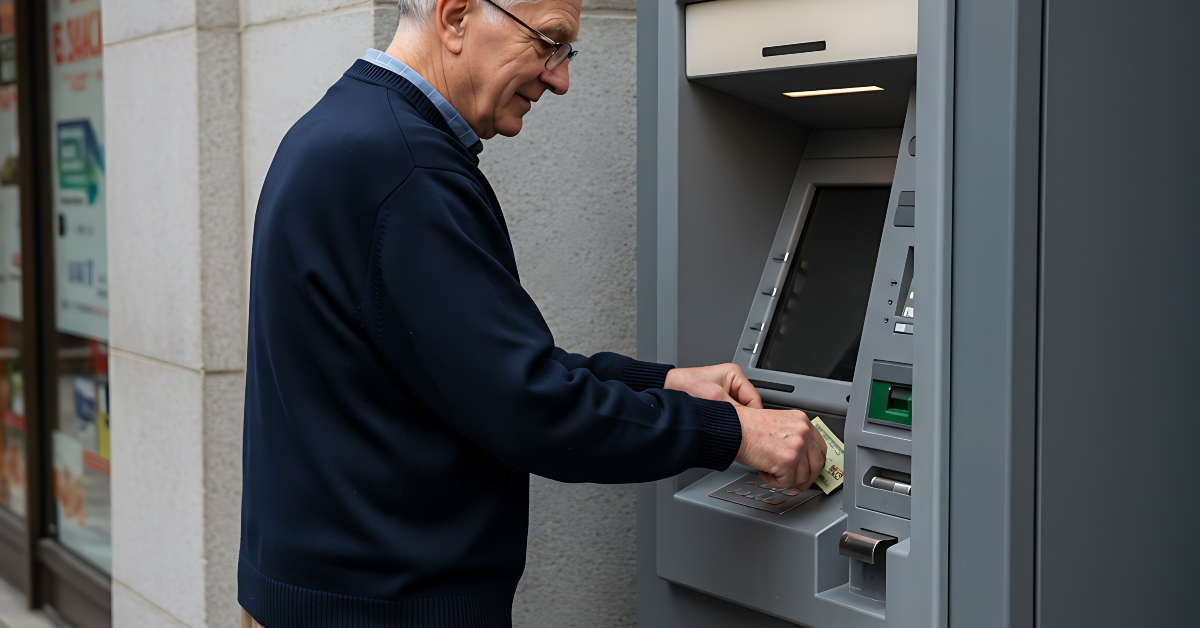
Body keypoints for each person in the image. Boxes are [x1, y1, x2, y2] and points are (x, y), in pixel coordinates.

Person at [238, 0, 827, 625]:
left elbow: (464, 368)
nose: (559, 78)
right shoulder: (409, 170)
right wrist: (733, 434)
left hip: (322, 594)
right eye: (547, 41)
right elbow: (528, 406)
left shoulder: (343, 126)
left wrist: (661, 383)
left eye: (565, 50)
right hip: (383, 608)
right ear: (456, 15)